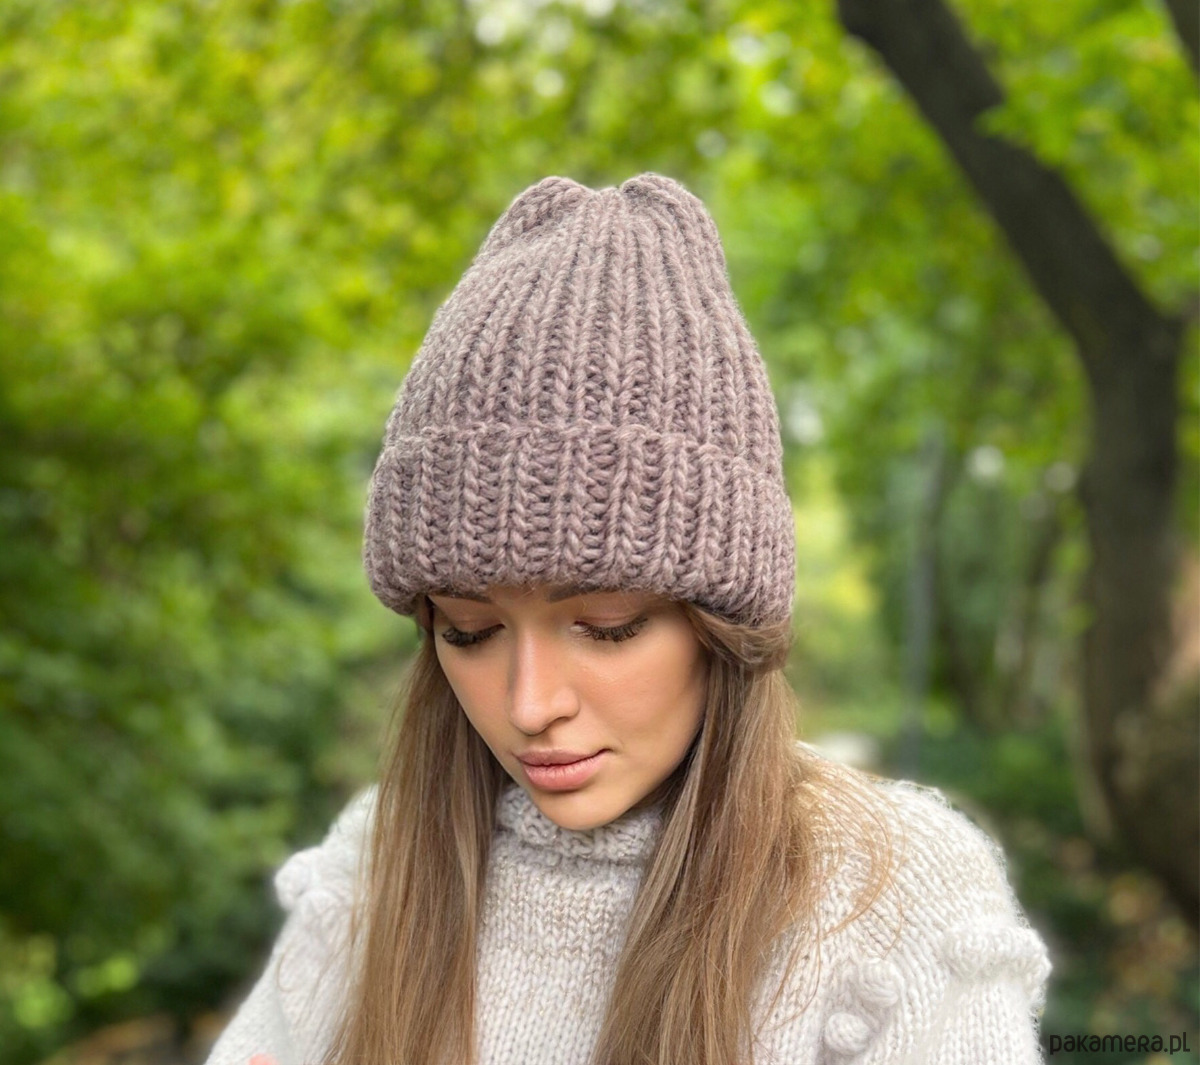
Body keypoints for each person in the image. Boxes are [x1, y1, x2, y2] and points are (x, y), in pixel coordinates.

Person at [203, 173, 1051, 1065]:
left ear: (722, 627)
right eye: (467, 630)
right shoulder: (375, 864)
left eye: (607, 627)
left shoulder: (890, 892)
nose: (530, 705)